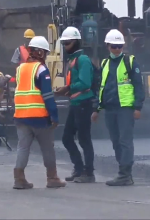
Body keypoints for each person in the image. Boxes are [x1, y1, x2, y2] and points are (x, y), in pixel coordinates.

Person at [91, 29, 145, 186]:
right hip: (110, 108)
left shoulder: (130, 62)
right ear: (108, 46)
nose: (117, 49)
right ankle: (124, 173)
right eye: (114, 46)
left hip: (125, 108)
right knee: (115, 141)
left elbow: (138, 86)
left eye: (119, 46)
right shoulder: (105, 64)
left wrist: (137, 107)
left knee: (125, 141)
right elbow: (101, 87)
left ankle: (125, 174)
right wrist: (96, 109)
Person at [13, 36, 65, 189]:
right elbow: (48, 96)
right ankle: (52, 178)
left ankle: (19, 179)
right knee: (47, 148)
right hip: (39, 118)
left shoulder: (20, 69)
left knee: (22, 148)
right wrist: (54, 116)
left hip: (21, 117)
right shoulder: (41, 70)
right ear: (41, 53)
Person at [54, 26, 96, 183]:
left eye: (68, 43)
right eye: (64, 43)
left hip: (84, 103)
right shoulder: (73, 60)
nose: (65, 46)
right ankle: (79, 168)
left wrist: (68, 88)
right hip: (75, 103)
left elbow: (85, 83)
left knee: (84, 139)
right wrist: (67, 91)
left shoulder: (83, 60)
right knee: (66, 138)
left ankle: (89, 173)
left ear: (76, 42)